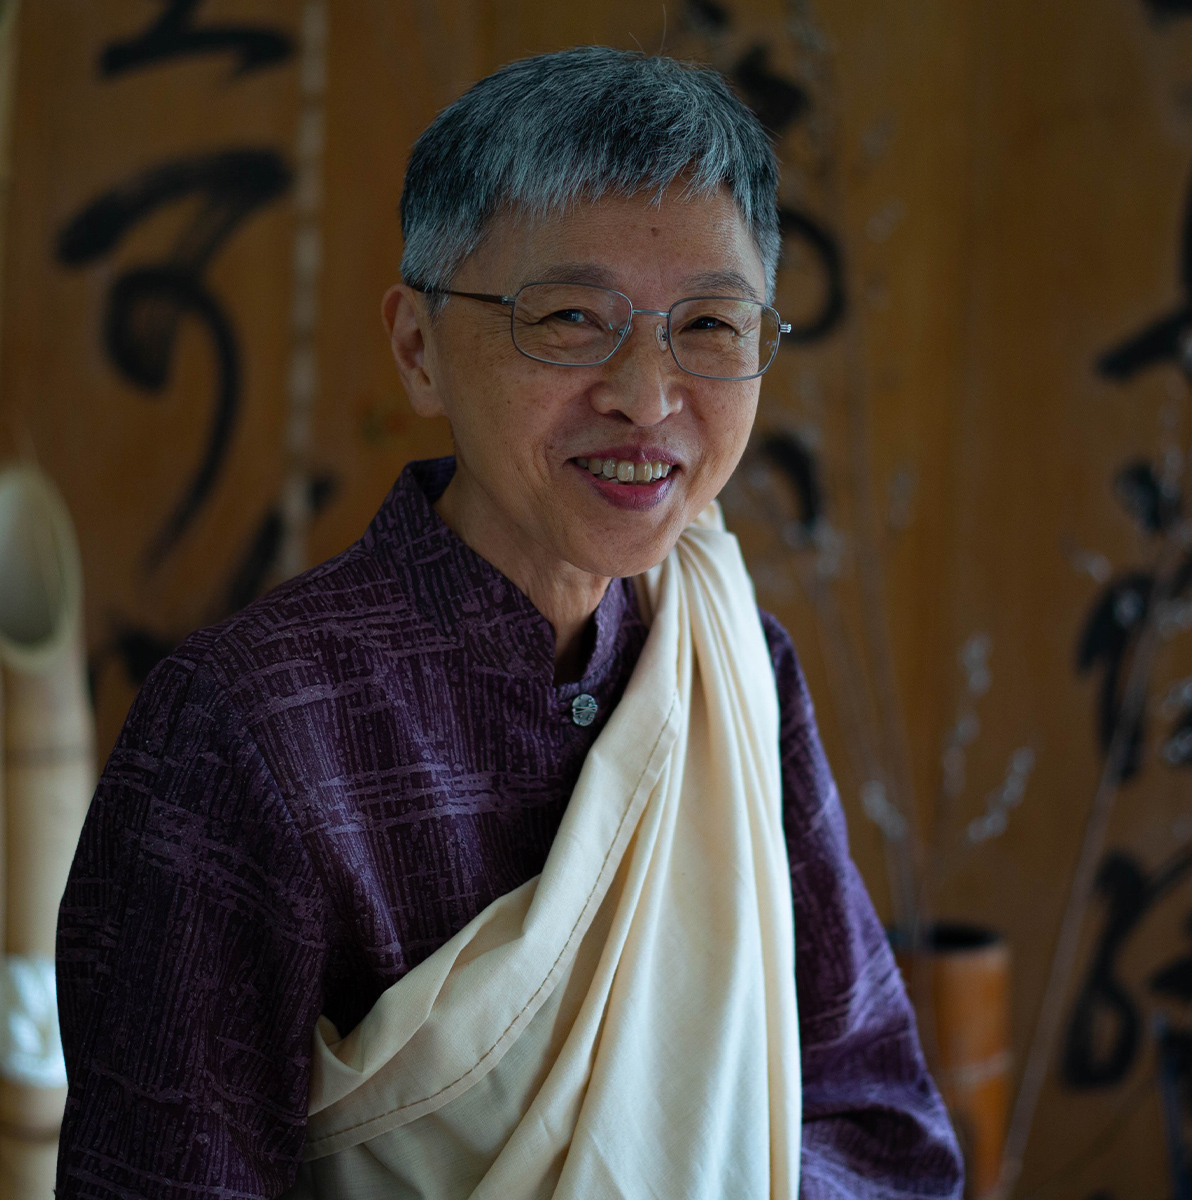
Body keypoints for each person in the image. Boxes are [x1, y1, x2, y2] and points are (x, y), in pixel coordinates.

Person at [55, 46, 963, 1200]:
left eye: (712, 326)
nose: (648, 393)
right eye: (572, 317)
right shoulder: (249, 728)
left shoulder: (736, 666)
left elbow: (878, 1127)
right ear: (417, 347)